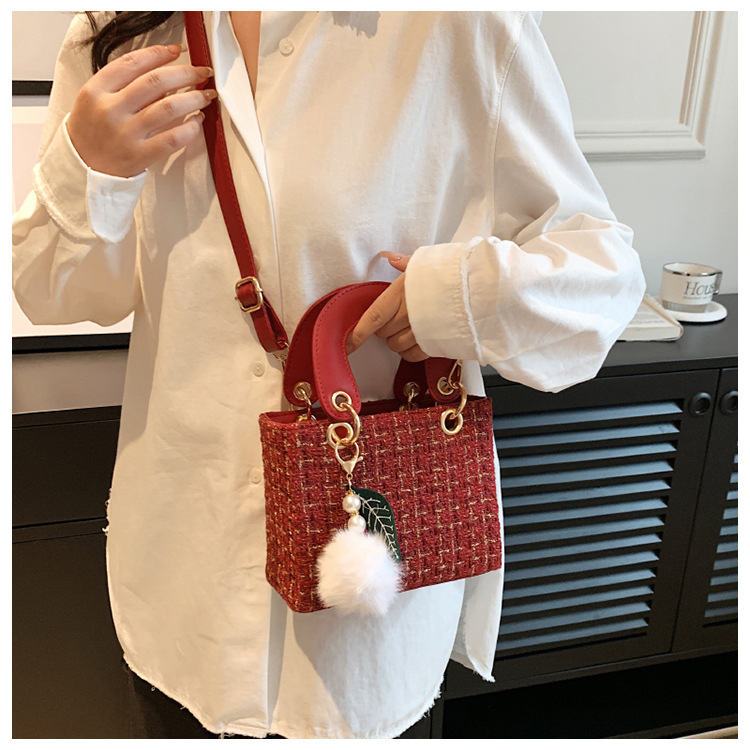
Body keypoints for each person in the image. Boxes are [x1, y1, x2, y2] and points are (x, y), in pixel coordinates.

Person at [12, 11, 645, 739]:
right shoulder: (122, 30)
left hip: (367, 624)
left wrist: (453, 299)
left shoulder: (458, 25)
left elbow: (602, 276)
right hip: (181, 585)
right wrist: (91, 167)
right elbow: (55, 292)